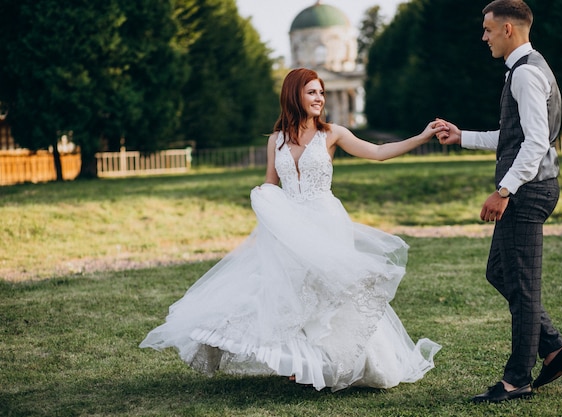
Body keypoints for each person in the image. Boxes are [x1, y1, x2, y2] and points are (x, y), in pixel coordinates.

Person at [140, 67, 444, 392]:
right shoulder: (277, 140)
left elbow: (380, 152)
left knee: (327, 294)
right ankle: (302, 364)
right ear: (294, 94)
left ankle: (343, 362)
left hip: (325, 222)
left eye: (322, 93)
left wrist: (422, 136)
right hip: (287, 225)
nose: (319, 99)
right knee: (289, 292)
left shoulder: (333, 134)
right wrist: (261, 194)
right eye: (312, 92)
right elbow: (272, 184)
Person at [436, 0, 562, 403]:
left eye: (488, 30)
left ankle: (517, 379)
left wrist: (504, 191)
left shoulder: (525, 74)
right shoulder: (527, 68)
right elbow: (512, 136)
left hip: (528, 192)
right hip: (531, 188)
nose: (484, 37)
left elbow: (534, 143)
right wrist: (462, 136)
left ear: (508, 30)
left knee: (523, 285)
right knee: (501, 272)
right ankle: (554, 350)